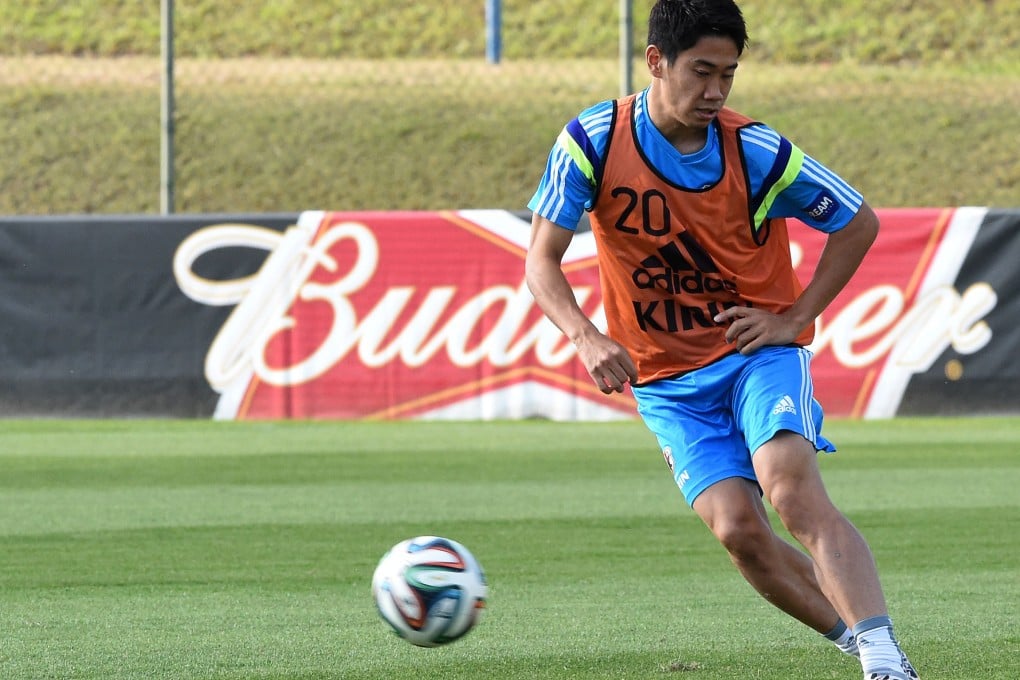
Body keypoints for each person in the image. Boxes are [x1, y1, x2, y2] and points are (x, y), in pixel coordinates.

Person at [524, 1, 920, 679]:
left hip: (753, 355)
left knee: (790, 490)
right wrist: (586, 337)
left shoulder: (754, 150)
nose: (715, 91)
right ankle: (859, 643)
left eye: (728, 75)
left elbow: (857, 221)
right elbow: (540, 262)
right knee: (740, 532)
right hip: (667, 381)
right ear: (656, 61)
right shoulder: (591, 141)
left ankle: (886, 661)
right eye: (701, 72)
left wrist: (793, 319)